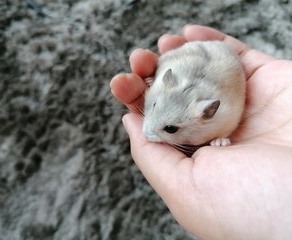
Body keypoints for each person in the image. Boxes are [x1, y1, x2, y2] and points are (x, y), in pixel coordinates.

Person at [110, 25, 292, 239]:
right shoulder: (164, 84)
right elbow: (165, 74)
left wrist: (220, 137)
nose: (146, 131)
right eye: (152, 108)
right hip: (194, 56)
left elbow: (231, 108)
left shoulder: (221, 115)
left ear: (207, 115)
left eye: (170, 129)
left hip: (219, 61)